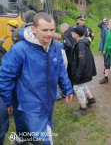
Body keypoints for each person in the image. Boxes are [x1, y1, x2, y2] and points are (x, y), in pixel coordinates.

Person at [0, 13, 73, 145]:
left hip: (48, 100)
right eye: (45, 30)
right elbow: (5, 77)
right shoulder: (20, 50)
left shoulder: (55, 46)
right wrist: (7, 102)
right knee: (43, 138)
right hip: (28, 103)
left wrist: (67, 88)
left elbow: (60, 68)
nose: (49, 34)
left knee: (25, 132)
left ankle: (19, 141)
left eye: (52, 30)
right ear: (34, 29)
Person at [71, 25, 97, 115]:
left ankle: (83, 108)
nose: (71, 33)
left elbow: (82, 61)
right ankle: (91, 98)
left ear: (77, 35)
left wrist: (77, 74)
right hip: (85, 70)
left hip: (82, 70)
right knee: (82, 84)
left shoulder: (80, 45)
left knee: (77, 87)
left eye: (73, 32)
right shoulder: (84, 42)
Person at [60, 23, 77, 89]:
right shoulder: (73, 33)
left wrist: (65, 52)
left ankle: (71, 88)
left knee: (69, 73)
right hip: (76, 55)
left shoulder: (65, 35)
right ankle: (75, 87)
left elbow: (68, 45)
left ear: (63, 29)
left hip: (70, 56)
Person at [53, 33, 68, 100]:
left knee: (55, 81)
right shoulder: (62, 49)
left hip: (56, 68)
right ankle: (65, 93)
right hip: (62, 67)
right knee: (62, 80)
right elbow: (65, 60)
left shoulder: (53, 48)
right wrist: (65, 68)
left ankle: (57, 95)